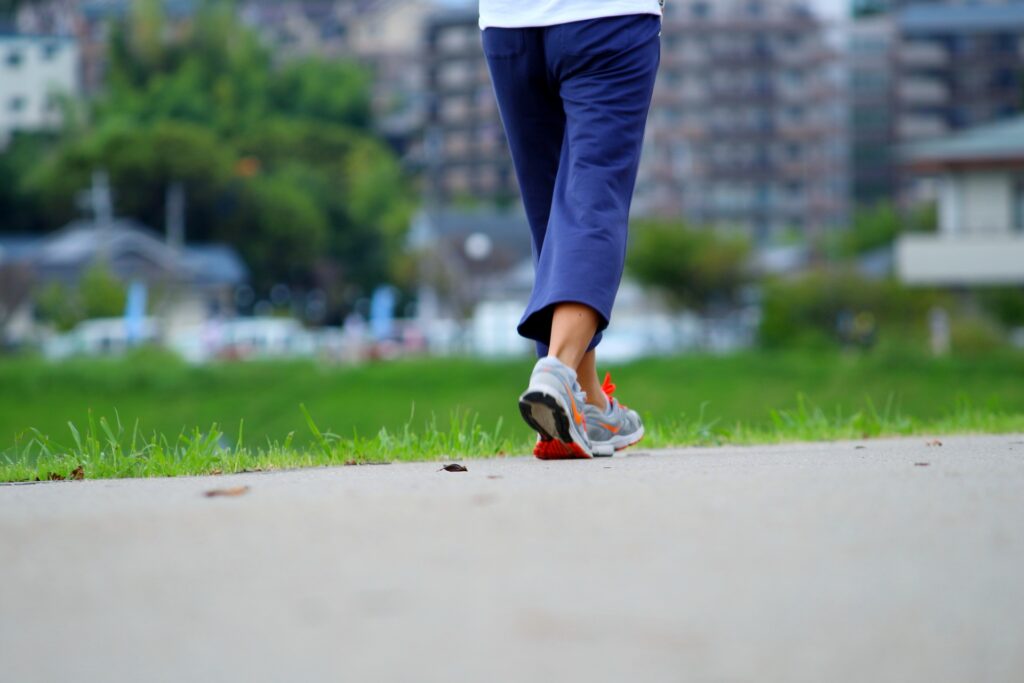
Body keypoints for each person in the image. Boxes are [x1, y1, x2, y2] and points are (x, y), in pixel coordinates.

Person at [480, 1, 662, 459]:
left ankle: (587, 408)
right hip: (608, 17)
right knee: (593, 201)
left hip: (509, 25)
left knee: (551, 220)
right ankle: (556, 374)